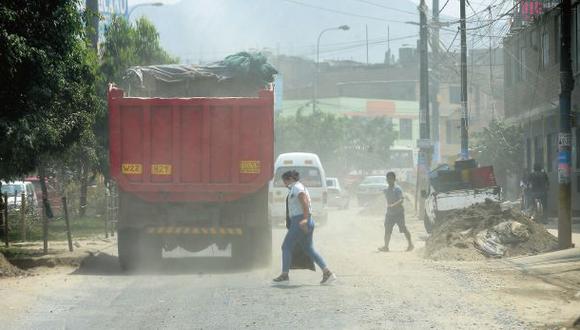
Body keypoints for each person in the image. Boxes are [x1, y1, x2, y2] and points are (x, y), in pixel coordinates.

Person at [272, 170, 336, 285]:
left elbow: (304, 201)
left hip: (300, 220)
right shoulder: (297, 187)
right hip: (305, 220)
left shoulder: (297, 188)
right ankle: (328, 273)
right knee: (308, 248)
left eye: (285, 181)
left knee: (286, 246)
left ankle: (284, 275)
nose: (284, 184)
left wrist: (305, 219)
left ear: (290, 179)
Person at [378, 171, 414, 252]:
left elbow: (401, 200)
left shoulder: (397, 189)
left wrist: (393, 205)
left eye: (390, 179)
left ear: (394, 179)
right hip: (389, 213)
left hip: (398, 213)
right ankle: (386, 246)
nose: (388, 180)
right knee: (387, 229)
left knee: (403, 229)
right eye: (387, 179)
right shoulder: (387, 190)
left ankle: (410, 244)